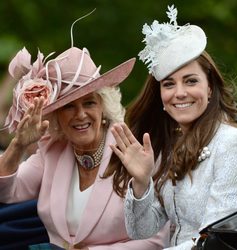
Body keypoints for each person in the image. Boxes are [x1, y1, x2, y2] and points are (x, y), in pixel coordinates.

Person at [0, 27, 169, 249]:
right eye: (69, 107)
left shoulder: (135, 151)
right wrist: (18, 145)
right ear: (57, 117)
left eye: (89, 103)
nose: (80, 115)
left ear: (103, 108)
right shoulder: (52, 151)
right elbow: (7, 193)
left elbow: (156, 240)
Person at [110, 4, 237, 250]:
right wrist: (142, 182)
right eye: (169, 84)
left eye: (191, 81)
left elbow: (215, 241)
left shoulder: (232, 144)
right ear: (161, 97)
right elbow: (141, 231)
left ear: (209, 88)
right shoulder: (172, 146)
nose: (180, 93)